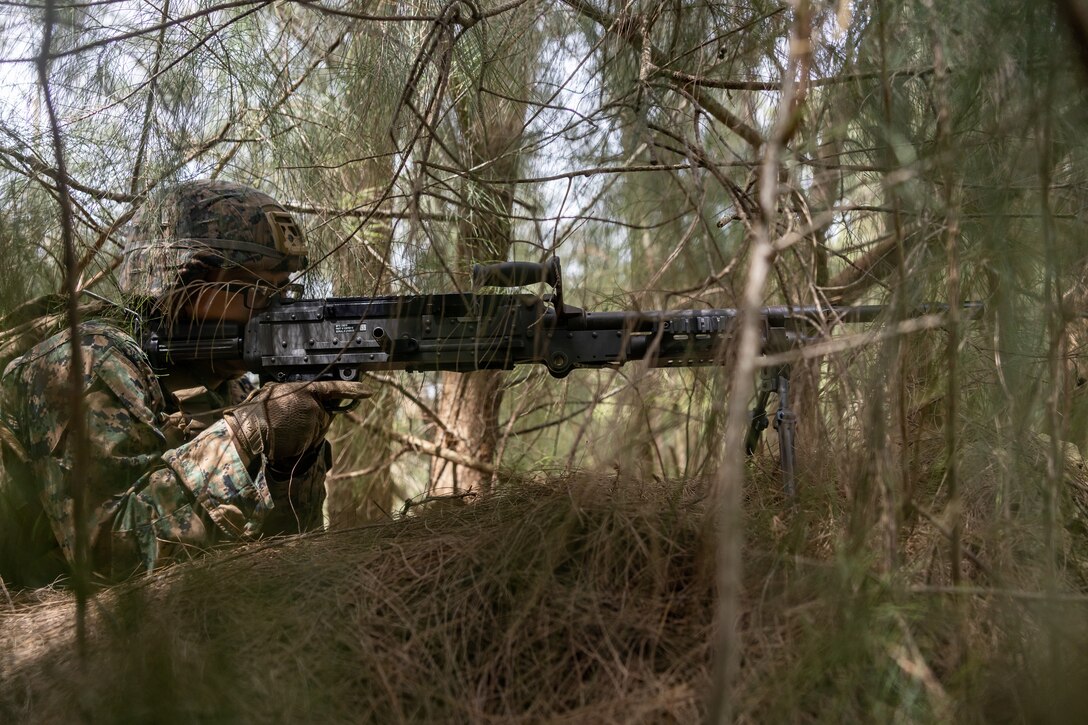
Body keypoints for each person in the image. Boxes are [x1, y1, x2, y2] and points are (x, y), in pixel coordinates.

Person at [0, 179, 369, 588]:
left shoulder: (227, 390)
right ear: (189, 282)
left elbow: (284, 555)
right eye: (262, 289)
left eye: (285, 290)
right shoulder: (88, 359)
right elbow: (105, 553)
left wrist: (295, 449)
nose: (280, 308)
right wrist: (247, 436)